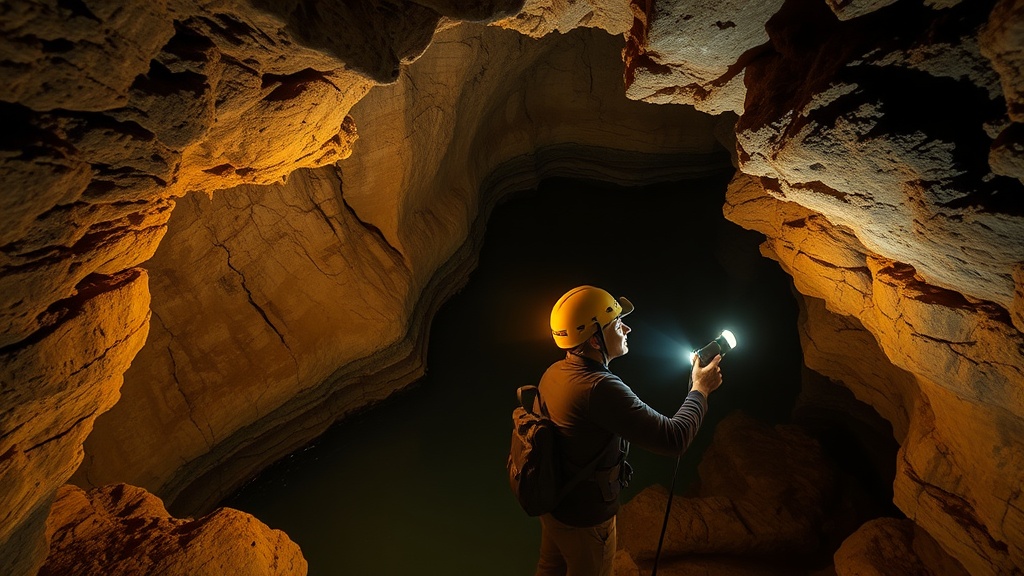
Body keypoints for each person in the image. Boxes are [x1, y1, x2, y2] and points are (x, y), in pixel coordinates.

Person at [535, 285, 723, 576]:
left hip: (555, 507)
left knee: (550, 569)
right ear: (596, 341)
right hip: (586, 520)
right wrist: (701, 389)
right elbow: (675, 438)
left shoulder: (555, 373)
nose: (627, 328)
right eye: (616, 323)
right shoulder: (600, 388)